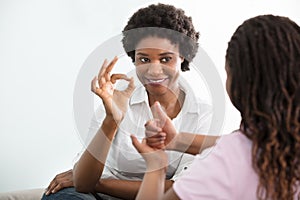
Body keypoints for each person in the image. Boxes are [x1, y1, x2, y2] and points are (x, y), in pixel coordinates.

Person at [42, 3, 215, 200]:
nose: (154, 70)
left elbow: (180, 189)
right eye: (144, 59)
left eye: (166, 59)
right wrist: (111, 120)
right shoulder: (119, 100)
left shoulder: (202, 114)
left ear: (182, 56)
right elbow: (82, 183)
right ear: (134, 59)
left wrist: (100, 183)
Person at [132, 14, 300, 200]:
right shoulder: (283, 141)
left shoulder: (227, 162)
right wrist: (178, 141)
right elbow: (255, 142)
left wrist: (156, 167)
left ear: (238, 83)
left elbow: (239, 147)